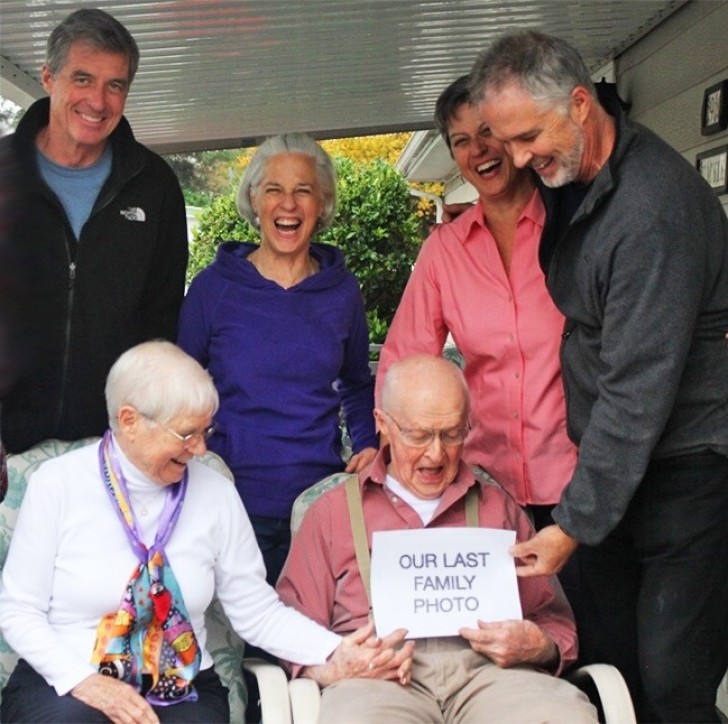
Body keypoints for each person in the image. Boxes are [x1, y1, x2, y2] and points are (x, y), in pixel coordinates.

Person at [470, 30, 728, 723]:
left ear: (581, 105)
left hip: (688, 470)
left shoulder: (651, 209)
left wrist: (572, 523)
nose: (519, 159)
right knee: (605, 661)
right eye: (506, 142)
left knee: (673, 680)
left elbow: (637, 388)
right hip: (617, 476)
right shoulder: (573, 176)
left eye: (527, 138)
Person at [0, 340, 412, 723]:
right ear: (129, 421)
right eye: (186, 434)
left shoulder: (215, 492)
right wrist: (84, 682)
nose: (200, 449)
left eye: (205, 432)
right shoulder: (57, 483)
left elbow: (256, 611)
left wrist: (336, 650)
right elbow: (18, 610)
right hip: (66, 676)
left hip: (183, 683)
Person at [277, 355, 597, 723]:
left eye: (452, 434)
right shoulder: (330, 513)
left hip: (493, 676)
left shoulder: (497, 504)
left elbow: (555, 623)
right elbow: (290, 629)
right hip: (376, 681)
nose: (436, 453)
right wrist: (333, 667)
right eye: (419, 435)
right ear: (382, 424)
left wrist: (538, 646)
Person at [377, 75, 577, 530]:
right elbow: (403, 358)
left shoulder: (572, 229)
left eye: (488, 132)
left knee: (586, 604)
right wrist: (390, 448)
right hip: (486, 491)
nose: (479, 150)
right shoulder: (444, 252)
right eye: (462, 141)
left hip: (580, 485)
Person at [178, 132, 378, 586]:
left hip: (321, 506)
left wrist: (367, 442)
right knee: (246, 651)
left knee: (315, 645)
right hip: (231, 502)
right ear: (254, 199)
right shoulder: (215, 288)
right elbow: (178, 386)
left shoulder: (341, 292)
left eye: (303, 191)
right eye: (274, 189)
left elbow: (356, 381)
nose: (288, 204)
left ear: (322, 204)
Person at [0, 8, 188, 455]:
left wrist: (142, 429)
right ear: (48, 78)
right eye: (82, 79)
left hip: (109, 447)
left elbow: (161, 324)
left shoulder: (155, 186)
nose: (98, 102)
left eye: (115, 85)